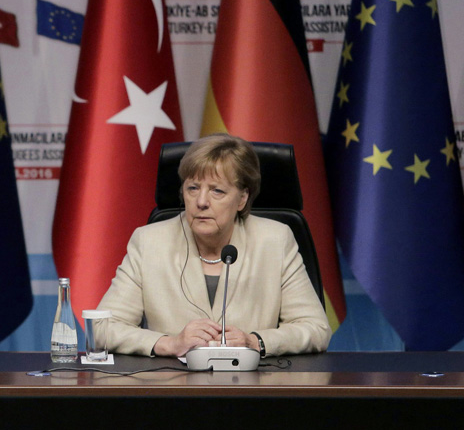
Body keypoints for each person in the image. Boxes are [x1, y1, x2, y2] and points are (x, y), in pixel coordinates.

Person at [96, 133, 331, 358]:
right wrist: (169, 343)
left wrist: (255, 341)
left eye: (217, 190)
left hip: (252, 389)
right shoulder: (149, 241)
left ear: (242, 199)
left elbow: (315, 328)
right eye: (193, 188)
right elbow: (102, 328)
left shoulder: (275, 240)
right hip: (173, 389)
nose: (201, 202)